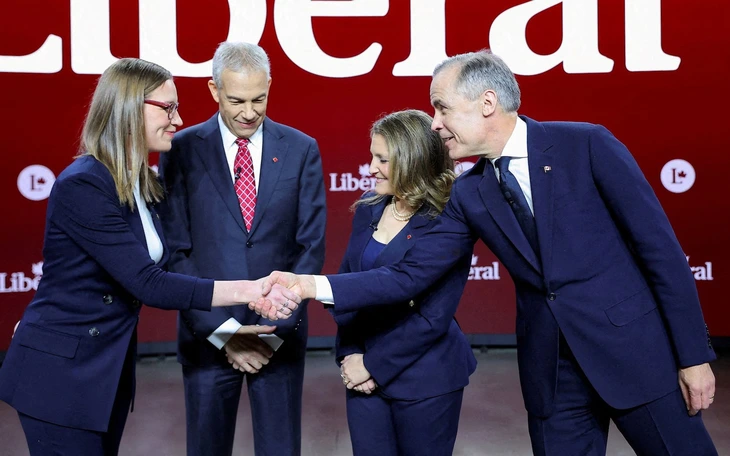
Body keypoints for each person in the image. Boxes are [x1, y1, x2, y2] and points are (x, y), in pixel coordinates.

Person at [258, 50, 718, 455]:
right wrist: (309, 285)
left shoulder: (587, 144)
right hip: (552, 377)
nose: (433, 123)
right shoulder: (468, 193)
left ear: (487, 104)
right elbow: (410, 275)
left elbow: (661, 253)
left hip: (637, 356)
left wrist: (693, 357)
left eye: (442, 108)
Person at [0, 58, 299, 456]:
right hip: (61, 374)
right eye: (168, 108)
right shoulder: (85, 185)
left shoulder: (142, 182)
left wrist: (227, 324)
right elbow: (149, 283)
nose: (178, 119)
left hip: (104, 372)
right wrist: (250, 290)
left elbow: (170, 265)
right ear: (128, 108)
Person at [158, 41, 326, 456]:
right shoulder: (180, 150)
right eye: (236, 100)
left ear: (269, 85)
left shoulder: (301, 148)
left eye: (259, 98)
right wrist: (224, 333)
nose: (249, 112)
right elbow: (177, 250)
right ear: (213, 90)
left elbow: (310, 245)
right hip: (208, 336)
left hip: (279, 335)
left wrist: (274, 329)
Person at [332, 109, 476, 455]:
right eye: (372, 156)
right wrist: (350, 354)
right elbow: (350, 286)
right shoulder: (369, 208)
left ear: (412, 161)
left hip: (426, 380)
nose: (371, 168)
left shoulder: (447, 221)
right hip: (361, 377)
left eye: (382, 159)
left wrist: (371, 365)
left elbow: (431, 319)